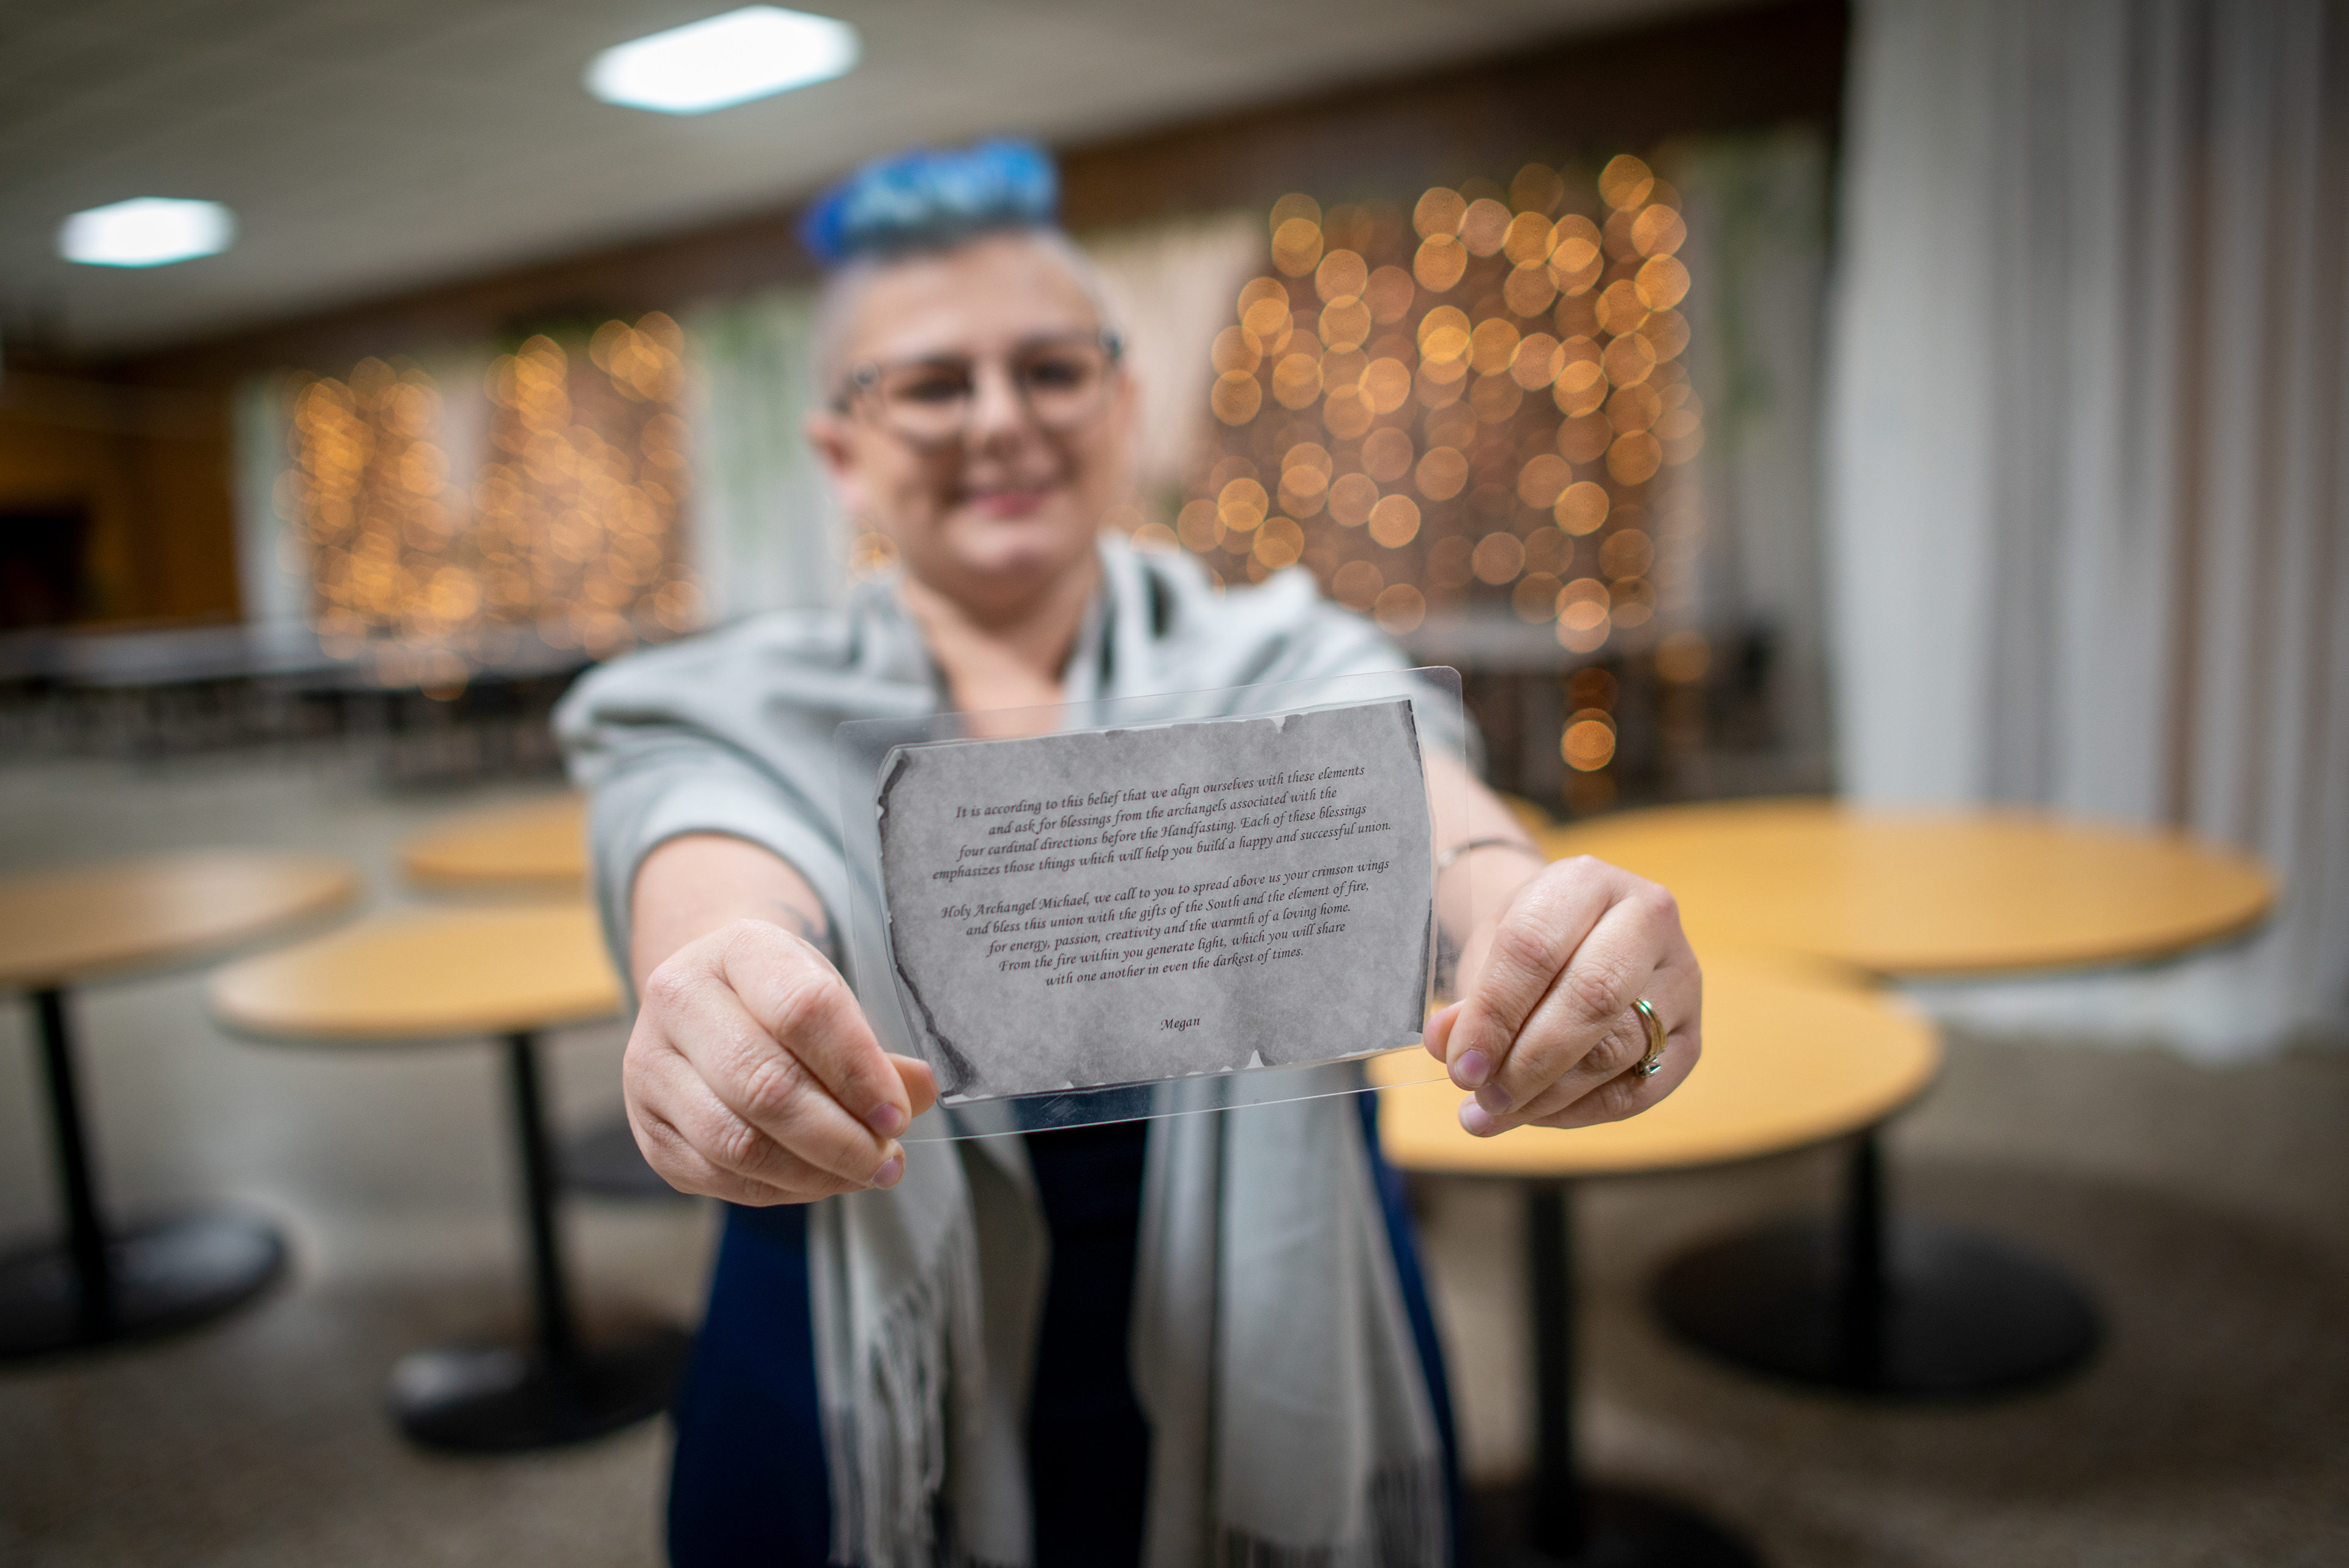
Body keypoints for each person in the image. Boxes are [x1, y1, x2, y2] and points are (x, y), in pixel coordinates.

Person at [557, 139, 1700, 1568]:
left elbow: (1434, 811)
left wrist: (1537, 919)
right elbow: (706, 838)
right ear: (842, 453)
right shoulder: (726, 696)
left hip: (1277, 1347)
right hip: (855, 1366)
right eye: (932, 385)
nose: (1001, 422)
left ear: (1124, 403)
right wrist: (719, 973)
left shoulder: (1284, 651)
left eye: (1050, 369)